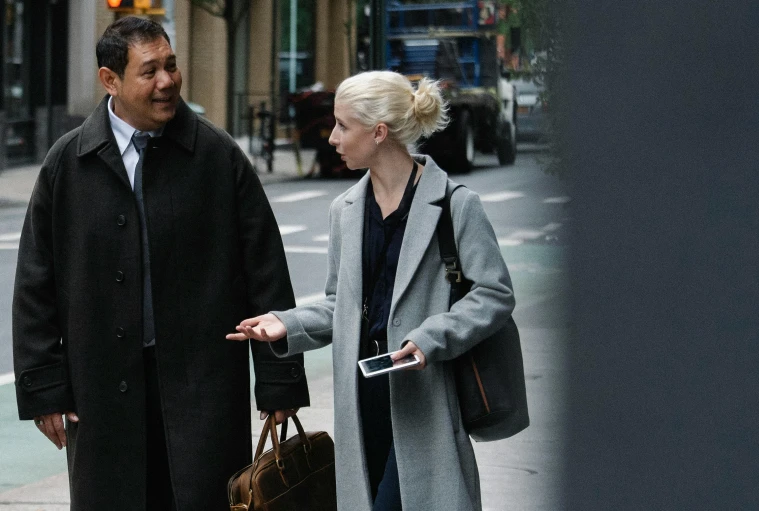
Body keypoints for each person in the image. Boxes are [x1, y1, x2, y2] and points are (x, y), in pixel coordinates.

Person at [12, 17, 309, 511]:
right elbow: (35, 284)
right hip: (101, 392)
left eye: (171, 65)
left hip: (203, 388)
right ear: (110, 80)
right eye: (149, 71)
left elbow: (266, 272)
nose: (167, 81)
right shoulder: (68, 164)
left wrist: (280, 380)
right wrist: (45, 390)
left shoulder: (216, 156)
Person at [227, 70, 515, 510]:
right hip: (361, 402)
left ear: (379, 132)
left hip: (425, 400)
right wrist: (284, 324)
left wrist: (431, 336)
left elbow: (494, 294)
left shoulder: (455, 205)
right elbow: (338, 304)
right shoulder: (344, 211)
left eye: (343, 126)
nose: (332, 138)